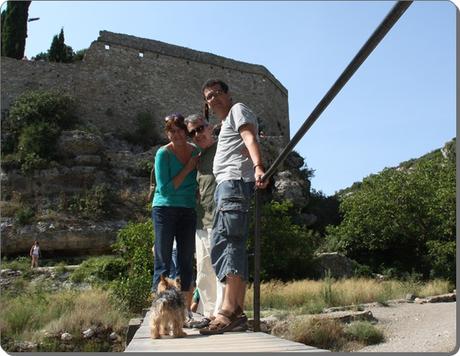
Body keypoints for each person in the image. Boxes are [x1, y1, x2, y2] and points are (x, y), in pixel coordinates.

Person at [198, 79, 268, 335]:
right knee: (224, 242)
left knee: (228, 242)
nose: (213, 99)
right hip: (226, 187)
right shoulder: (224, 122)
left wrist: (259, 166)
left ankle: (227, 311)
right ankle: (235, 309)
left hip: (234, 184)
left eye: (217, 93)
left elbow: (249, 137)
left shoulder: (238, 109)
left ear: (228, 95)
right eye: (208, 97)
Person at [151, 113, 200, 314]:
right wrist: (188, 167)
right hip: (164, 209)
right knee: (162, 261)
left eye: (179, 130)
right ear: (167, 133)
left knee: (186, 260)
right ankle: (159, 310)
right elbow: (166, 189)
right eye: (171, 131)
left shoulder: (196, 151)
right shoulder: (163, 154)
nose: (176, 135)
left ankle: (185, 311)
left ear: (186, 131)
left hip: (188, 209)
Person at [184, 113, 224, 328]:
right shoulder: (198, 157)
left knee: (221, 269)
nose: (197, 134)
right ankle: (208, 314)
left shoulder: (222, 148)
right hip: (201, 220)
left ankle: (221, 314)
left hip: (220, 217)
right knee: (204, 270)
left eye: (200, 128)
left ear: (209, 127)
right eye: (192, 132)